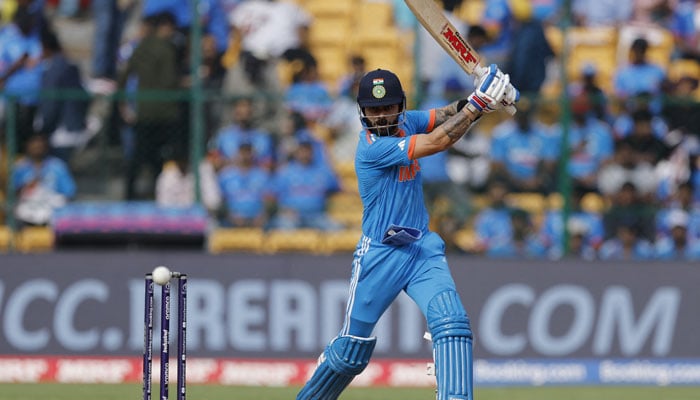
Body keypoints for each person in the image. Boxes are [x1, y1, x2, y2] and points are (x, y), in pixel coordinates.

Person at [296, 65, 518, 400]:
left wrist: (486, 98)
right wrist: (480, 103)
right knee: (349, 354)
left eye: (388, 108)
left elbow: (444, 115)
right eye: (374, 109)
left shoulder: (407, 122)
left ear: (400, 107)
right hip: (380, 255)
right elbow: (438, 140)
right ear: (362, 113)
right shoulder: (371, 150)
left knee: (453, 324)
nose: (382, 116)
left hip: (421, 250)